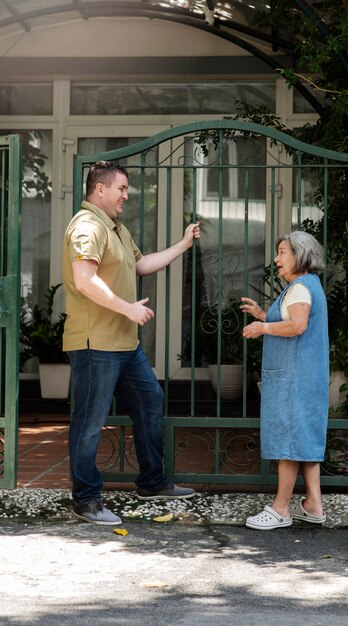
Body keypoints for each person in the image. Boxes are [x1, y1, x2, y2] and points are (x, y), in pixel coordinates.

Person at [62, 160, 200, 525]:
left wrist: (183, 245)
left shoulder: (116, 228)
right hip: (96, 344)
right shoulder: (87, 226)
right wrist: (127, 308)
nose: (126, 194)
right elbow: (84, 280)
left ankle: (152, 482)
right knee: (90, 422)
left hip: (124, 344)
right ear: (100, 189)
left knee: (150, 401)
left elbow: (142, 265)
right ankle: (86, 499)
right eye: (121, 188)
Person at [241, 231, 329, 530]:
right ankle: (314, 505)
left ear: (300, 255)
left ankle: (280, 509)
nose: (277, 259)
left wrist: (261, 326)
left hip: (294, 379)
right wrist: (264, 313)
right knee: (303, 438)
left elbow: (297, 325)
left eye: (282, 252)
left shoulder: (300, 287)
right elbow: (292, 319)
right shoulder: (308, 286)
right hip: (305, 377)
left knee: (289, 443)